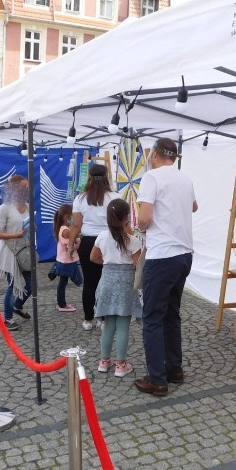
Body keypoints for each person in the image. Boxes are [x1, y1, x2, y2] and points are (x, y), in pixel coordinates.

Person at [134, 138, 198, 397]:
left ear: (155, 154)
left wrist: (139, 226)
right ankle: (175, 369)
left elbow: (145, 218)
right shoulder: (185, 178)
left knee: (152, 318)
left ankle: (158, 379)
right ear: (175, 156)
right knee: (172, 314)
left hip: (162, 256)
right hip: (184, 254)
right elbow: (194, 206)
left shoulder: (151, 177)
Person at [91, 198, 142, 378]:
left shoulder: (102, 236)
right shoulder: (133, 241)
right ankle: (121, 364)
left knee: (108, 324)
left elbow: (93, 258)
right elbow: (138, 265)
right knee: (123, 325)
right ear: (127, 217)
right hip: (126, 284)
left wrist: (108, 264)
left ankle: (104, 361)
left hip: (107, 281)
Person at [68, 163, 120, 330]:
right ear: (107, 177)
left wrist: (70, 246)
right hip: (109, 241)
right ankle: (104, 320)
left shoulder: (80, 198)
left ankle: (88, 320)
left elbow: (76, 225)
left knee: (90, 283)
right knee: (107, 281)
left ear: (89, 177)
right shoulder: (115, 197)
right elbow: (120, 222)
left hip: (88, 242)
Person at [0, 175, 32, 331]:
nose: (27, 189)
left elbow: (25, 227)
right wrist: (17, 235)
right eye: (24, 187)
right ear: (14, 188)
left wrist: (30, 230)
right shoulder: (4, 208)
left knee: (31, 285)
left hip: (25, 251)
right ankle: (7, 319)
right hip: (10, 252)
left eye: (28, 187)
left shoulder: (28, 206)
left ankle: (17, 306)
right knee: (12, 286)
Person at [51, 204, 82, 312]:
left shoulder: (63, 228)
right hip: (66, 261)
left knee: (64, 282)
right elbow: (71, 244)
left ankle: (61, 303)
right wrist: (77, 244)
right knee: (66, 282)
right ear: (66, 217)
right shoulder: (65, 230)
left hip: (65, 260)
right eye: (72, 216)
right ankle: (62, 305)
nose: (74, 218)